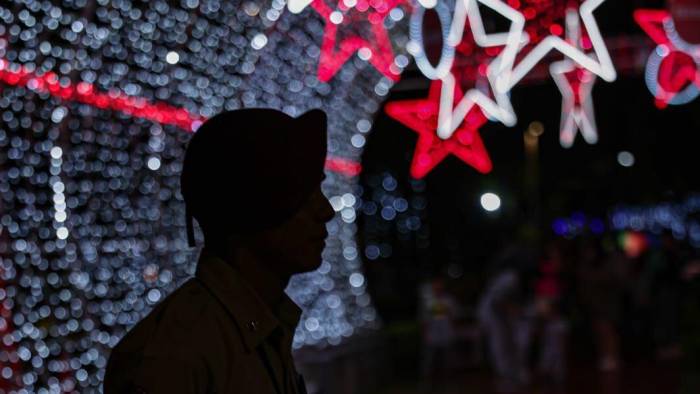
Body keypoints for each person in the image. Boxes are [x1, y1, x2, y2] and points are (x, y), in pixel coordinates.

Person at [104, 108, 334, 394]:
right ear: (249, 207)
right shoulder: (175, 357)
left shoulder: (257, 331)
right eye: (302, 195)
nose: (326, 211)